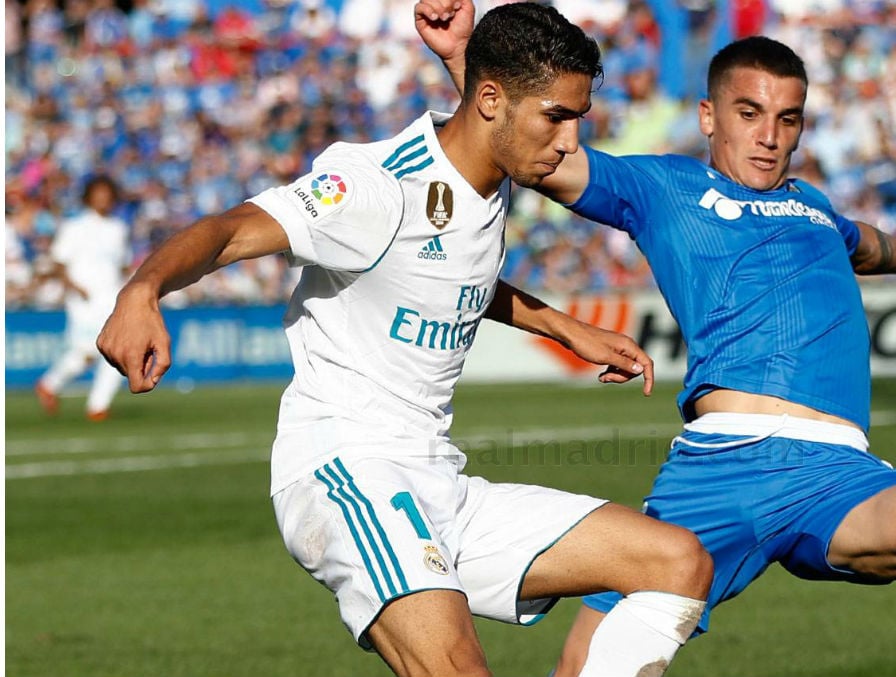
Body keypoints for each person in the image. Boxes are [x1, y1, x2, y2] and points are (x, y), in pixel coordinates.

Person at [421, 14, 896, 673]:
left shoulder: (812, 206)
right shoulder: (663, 187)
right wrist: (465, 59)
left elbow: (869, 244)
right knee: (594, 652)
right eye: (749, 113)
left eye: (787, 119)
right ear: (709, 116)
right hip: (723, 462)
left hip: (836, 468)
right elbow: (537, 145)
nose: (769, 134)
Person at [97, 4, 713, 677]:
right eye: (558, 117)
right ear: (490, 101)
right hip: (346, 465)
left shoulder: (493, 167)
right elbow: (234, 228)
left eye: (578, 119)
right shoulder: (377, 186)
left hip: (439, 481)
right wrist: (142, 289)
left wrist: (566, 327)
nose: (571, 142)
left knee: (676, 562)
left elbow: (453, 266)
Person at [34, 175, 129, 421]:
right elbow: (58, 262)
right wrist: (74, 286)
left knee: (117, 351)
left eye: (107, 195)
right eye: (99, 194)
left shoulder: (118, 229)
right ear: (89, 197)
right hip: (85, 299)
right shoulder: (74, 227)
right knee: (87, 352)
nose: (104, 200)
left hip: (111, 297)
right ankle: (51, 383)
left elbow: (121, 265)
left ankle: (97, 405)